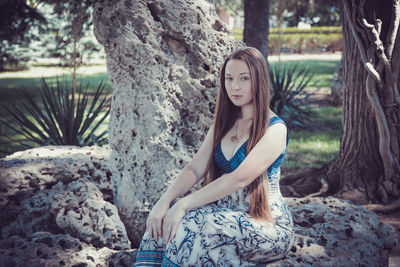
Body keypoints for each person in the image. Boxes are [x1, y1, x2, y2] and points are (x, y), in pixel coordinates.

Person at [134, 47, 294, 266]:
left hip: (266, 226)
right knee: (160, 224)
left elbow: (238, 178)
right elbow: (195, 168)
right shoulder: (224, 123)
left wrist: (182, 205)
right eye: (229, 79)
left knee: (190, 221)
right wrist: (166, 201)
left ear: (259, 80)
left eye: (244, 78)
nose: (235, 87)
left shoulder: (274, 129)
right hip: (224, 217)